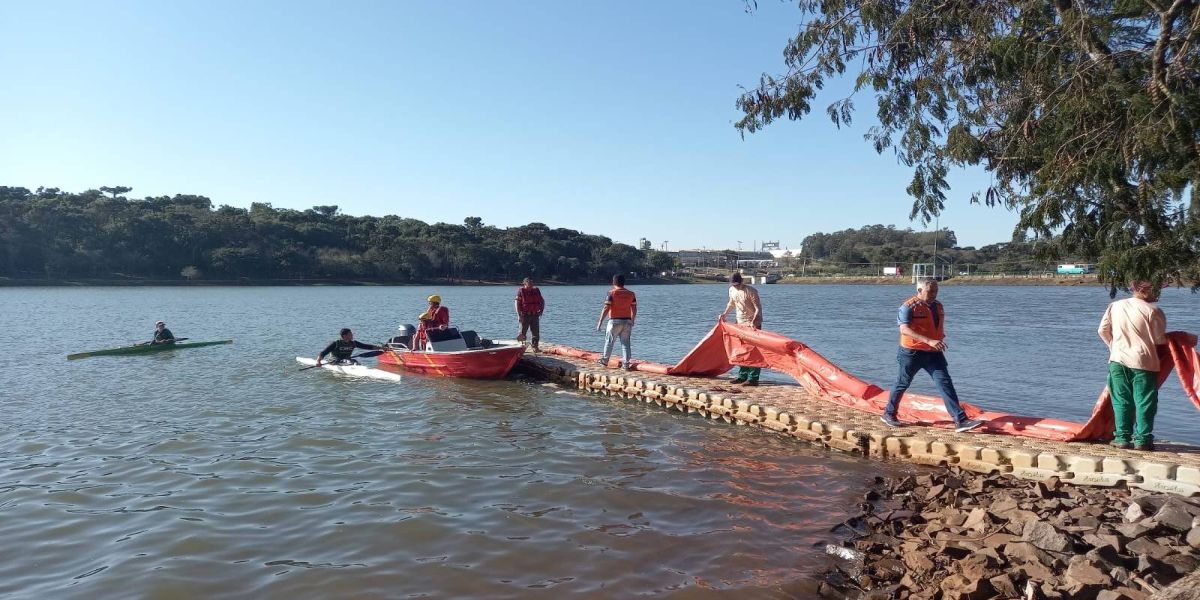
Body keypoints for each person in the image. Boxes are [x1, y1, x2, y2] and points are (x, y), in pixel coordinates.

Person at [880, 280, 984, 433]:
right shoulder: (908, 307)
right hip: (912, 352)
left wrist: (938, 337)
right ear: (920, 290)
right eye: (930, 291)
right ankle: (889, 413)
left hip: (934, 352)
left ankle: (960, 420)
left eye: (936, 291)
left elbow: (935, 326)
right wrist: (929, 340)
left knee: (945, 382)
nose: (934, 294)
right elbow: (904, 329)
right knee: (903, 382)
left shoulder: (938, 306)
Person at [1098, 280, 1168, 451]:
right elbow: (1160, 340)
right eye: (1156, 290)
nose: (1158, 295)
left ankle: (1122, 438)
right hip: (1144, 361)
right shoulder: (1154, 311)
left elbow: (1102, 330)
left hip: (1118, 359)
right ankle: (1143, 440)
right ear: (1147, 291)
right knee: (1145, 401)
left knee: (1121, 400)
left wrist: (1113, 347)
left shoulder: (1115, 306)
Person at [718, 272, 763, 386]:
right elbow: (731, 304)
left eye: (737, 284)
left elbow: (758, 308)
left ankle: (753, 378)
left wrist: (753, 322)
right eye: (733, 284)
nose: (735, 286)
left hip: (753, 324)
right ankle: (742, 376)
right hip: (739, 323)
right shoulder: (732, 290)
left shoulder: (751, 291)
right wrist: (724, 314)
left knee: (753, 351)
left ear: (742, 281)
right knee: (741, 350)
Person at [595, 274, 636, 370]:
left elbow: (606, 307)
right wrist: (632, 319)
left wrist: (600, 322)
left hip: (614, 321)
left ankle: (605, 361)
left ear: (614, 282)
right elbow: (634, 308)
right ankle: (626, 364)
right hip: (627, 321)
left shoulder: (611, 293)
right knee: (625, 343)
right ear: (623, 282)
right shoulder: (631, 294)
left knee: (609, 342)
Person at [317, 328, 381, 366]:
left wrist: (382, 348)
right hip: (334, 361)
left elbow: (367, 346)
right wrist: (318, 362)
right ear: (345, 336)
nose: (352, 335)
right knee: (349, 361)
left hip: (347, 360)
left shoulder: (353, 343)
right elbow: (323, 353)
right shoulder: (335, 343)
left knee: (354, 361)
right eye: (350, 334)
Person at [515, 278, 545, 352]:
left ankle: (535, 347)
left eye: (532, 283)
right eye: (529, 283)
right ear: (524, 284)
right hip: (525, 315)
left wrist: (542, 310)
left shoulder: (536, 290)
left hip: (535, 314)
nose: (531, 285)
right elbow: (516, 304)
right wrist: (519, 315)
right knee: (522, 332)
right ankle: (520, 347)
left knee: (535, 332)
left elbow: (542, 301)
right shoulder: (521, 291)